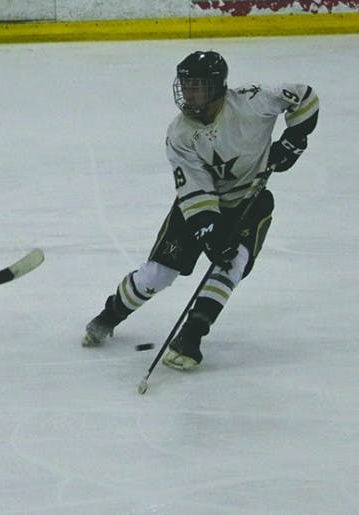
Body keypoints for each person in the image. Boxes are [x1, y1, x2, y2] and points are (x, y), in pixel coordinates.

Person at [82, 51, 319, 370]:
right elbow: (194, 190)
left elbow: (304, 96)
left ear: (217, 87)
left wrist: (294, 138)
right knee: (159, 273)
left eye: (196, 86)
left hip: (249, 200)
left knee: (232, 263)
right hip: (199, 208)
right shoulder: (180, 134)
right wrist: (209, 231)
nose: (188, 93)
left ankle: (191, 336)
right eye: (185, 85)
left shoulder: (254, 101)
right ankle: (110, 315)